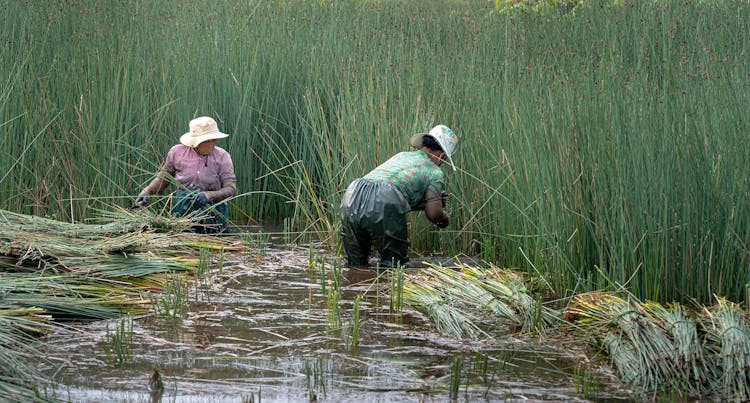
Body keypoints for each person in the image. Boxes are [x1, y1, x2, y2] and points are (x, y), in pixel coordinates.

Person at [339, 124, 458, 268]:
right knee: (394, 266)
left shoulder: (402, 155)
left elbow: (386, 190)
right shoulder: (435, 172)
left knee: (356, 265)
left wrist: (423, 203)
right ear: (442, 155)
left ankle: (355, 287)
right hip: (385, 197)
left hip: (353, 193)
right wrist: (444, 219)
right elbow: (434, 214)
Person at [135, 116, 237, 233]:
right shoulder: (177, 152)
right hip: (182, 209)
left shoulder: (222, 156)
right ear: (196, 141)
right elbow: (163, 178)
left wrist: (209, 195)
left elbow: (231, 189)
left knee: (213, 241)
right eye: (207, 141)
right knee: (183, 241)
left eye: (214, 139)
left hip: (213, 212)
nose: (212, 144)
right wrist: (147, 191)